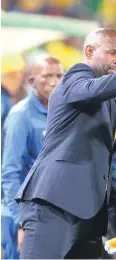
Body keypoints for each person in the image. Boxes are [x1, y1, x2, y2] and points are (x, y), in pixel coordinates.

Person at [15, 28, 116, 259]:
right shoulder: (74, 79)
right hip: (53, 207)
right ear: (89, 51)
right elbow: (96, 88)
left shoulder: (109, 103)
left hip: (88, 220)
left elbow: (104, 169)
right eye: (113, 52)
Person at [1, 55, 64, 260]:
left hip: (51, 216)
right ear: (31, 81)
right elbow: (10, 173)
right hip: (22, 218)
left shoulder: (62, 112)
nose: (54, 81)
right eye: (47, 76)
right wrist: (22, 222)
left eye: (59, 75)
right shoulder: (21, 116)